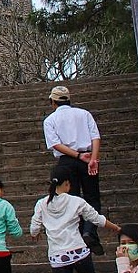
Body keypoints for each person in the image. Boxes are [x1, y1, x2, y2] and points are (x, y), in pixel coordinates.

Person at [30, 165, 121, 273]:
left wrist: (36, 234)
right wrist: (117, 229)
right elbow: (97, 219)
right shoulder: (76, 201)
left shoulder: (41, 204)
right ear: (66, 183)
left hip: (57, 257)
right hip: (78, 251)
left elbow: (34, 228)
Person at [43, 85, 105, 255]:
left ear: (52, 102)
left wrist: (77, 156)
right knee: (93, 197)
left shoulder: (50, 120)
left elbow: (56, 144)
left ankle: (77, 237)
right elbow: (95, 136)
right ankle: (89, 231)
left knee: (72, 199)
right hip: (87, 157)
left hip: (66, 162)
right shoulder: (84, 114)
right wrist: (93, 158)